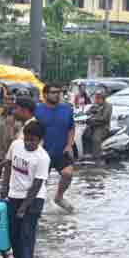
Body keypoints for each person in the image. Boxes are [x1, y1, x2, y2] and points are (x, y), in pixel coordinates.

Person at [1, 119, 51, 258]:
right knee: (13, 231)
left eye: (33, 140)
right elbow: (8, 164)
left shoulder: (43, 158)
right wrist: (4, 187)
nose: (28, 143)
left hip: (33, 198)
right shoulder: (16, 145)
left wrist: (23, 208)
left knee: (27, 234)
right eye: (26, 139)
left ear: (40, 140)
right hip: (14, 194)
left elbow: (37, 185)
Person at [35, 82, 76, 210]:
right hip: (43, 151)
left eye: (59, 92)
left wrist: (69, 145)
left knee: (68, 174)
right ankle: (37, 206)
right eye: (53, 92)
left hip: (61, 150)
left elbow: (71, 128)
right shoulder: (37, 109)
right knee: (40, 183)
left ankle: (59, 197)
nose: (57, 95)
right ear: (45, 94)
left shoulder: (67, 109)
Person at [84, 90, 113, 158]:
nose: (96, 100)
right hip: (93, 126)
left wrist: (94, 118)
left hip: (102, 127)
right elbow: (87, 112)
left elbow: (104, 118)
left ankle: (96, 156)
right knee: (85, 135)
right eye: (96, 98)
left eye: (98, 98)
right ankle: (86, 153)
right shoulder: (95, 105)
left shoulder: (108, 106)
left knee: (95, 138)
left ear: (103, 98)